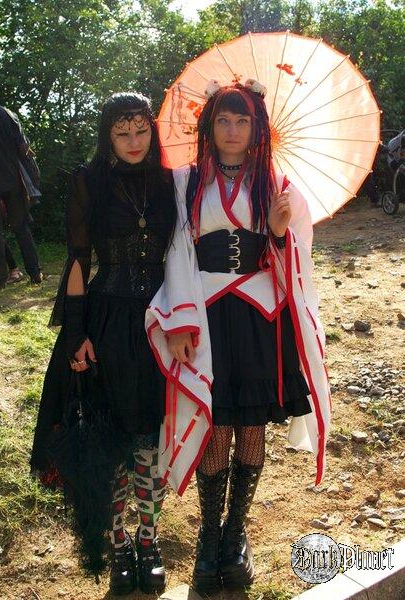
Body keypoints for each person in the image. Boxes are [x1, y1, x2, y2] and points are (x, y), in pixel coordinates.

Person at [146, 80, 331, 593]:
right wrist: (180, 321)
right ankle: (208, 537)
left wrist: (278, 231)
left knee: (251, 423)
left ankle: (235, 533)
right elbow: (177, 249)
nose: (232, 130)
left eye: (242, 121)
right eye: (223, 120)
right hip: (205, 312)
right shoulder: (184, 181)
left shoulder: (278, 184)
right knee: (216, 421)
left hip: (258, 317)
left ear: (257, 127)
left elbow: (296, 260)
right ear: (209, 126)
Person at [30, 93, 176, 595]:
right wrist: (76, 332)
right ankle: (117, 546)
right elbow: (78, 259)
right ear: (107, 136)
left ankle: (150, 542)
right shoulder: (89, 181)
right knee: (108, 443)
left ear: (152, 130)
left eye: (141, 130)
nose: (134, 141)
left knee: (151, 441)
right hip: (107, 321)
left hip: (159, 321)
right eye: (122, 132)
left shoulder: (169, 182)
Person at [0, 81, 42, 288]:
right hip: (14, 178)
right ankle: (35, 273)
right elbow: (23, 147)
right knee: (21, 226)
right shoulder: (8, 114)